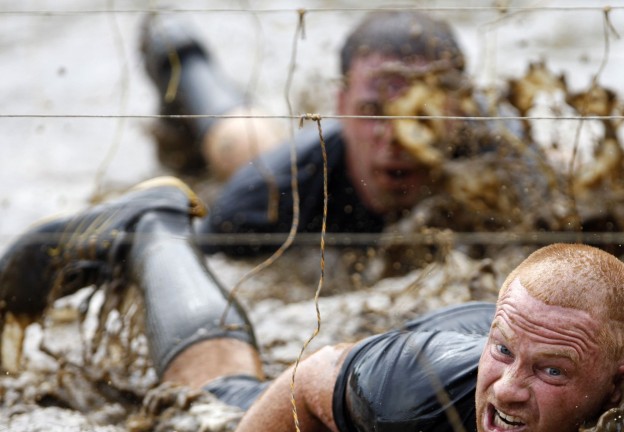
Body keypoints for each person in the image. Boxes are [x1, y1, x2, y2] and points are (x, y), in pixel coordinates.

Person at [0, 178, 624, 432]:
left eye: (551, 372)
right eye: (504, 356)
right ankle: (153, 229)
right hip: (392, 365)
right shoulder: (411, 407)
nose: (507, 389)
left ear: (620, 386)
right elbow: (311, 378)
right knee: (217, 395)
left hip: (518, 328)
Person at [141, 10, 493, 257]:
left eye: (422, 115)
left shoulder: (500, 167)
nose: (397, 136)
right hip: (276, 158)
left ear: (459, 112)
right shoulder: (274, 191)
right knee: (242, 143)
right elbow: (188, 259)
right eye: (374, 111)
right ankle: (180, 51)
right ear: (341, 104)